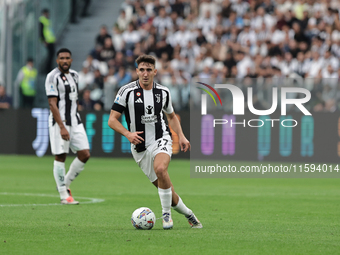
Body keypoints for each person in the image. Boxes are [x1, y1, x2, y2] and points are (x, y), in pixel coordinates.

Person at [108, 55, 202, 229]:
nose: (145, 73)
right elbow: (112, 120)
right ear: (137, 71)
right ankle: (189, 214)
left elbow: (171, 116)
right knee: (166, 187)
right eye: (142, 69)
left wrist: (181, 135)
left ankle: (166, 216)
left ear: (155, 72)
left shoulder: (163, 92)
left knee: (160, 169)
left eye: (149, 70)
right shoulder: (125, 91)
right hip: (139, 148)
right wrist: (128, 134)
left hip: (161, 138)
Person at [45, 48, 90, 204]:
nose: (65, 60)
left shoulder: (75, 76)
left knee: (85, 154)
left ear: (71, 60)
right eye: (62, 58)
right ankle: (64, 195)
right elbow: (52, 103)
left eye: (67, 58)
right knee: (61, 156)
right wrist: (62, 126)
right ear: (57, 60)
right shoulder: (52, 77)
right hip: (60, 123)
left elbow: (73, 99)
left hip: (75, 121)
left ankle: (66, 183)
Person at [39, 9, 56, 74]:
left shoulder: (47, 20)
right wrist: (44, 40)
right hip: (47, 41)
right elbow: (41, 31)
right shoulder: (42, 20)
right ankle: (47, 69)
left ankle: (49, 68)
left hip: (50, 40)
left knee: (51, 54)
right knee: (50, 54)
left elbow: (50, 31)